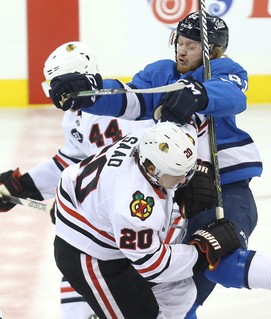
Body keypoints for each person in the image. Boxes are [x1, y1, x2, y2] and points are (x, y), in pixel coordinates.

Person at [47, 12, 262, 318]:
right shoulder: (161, 73)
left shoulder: (223, 70)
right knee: (166, 273)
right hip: (175, 184)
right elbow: (131, 99)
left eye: (191, 45)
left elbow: (232, 96)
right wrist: (90, 93)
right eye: (180, 42)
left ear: (212, 52)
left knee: (214, 258)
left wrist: (200, 93)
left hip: (223, 184)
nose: (182, 51)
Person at [0, 41, 155, 319]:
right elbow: (71, 162)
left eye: (58, 85)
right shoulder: (76, 116)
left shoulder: (131, 109)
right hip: (101, 225)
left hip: (138, 220)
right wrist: (23, 186)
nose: (55, 94)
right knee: (80, 273)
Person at [53, 121, 242, 319]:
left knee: (179, 292)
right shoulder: (135, 206)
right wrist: (201, 251)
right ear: (152, 169)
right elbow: (152, 265)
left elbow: (193, 124)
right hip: (90, 256)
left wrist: (200, 169)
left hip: (91, 207)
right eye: (175, 176)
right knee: (141, 315)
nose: (182, 181)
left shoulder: (155, 137)